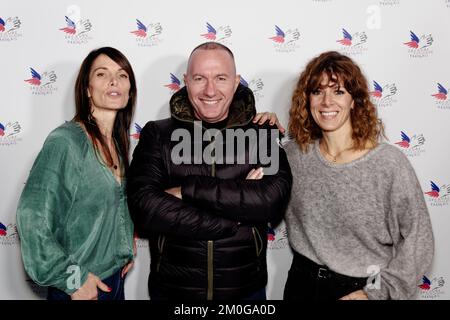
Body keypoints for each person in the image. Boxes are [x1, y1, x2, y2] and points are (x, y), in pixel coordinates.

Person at [127, 42, 292, 300]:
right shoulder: (157, 134)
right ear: (186, 81)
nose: (210, 90)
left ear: (236, 82)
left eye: (221, 78)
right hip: (174, 291)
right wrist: (232, 220)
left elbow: (272, 200)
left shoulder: (262, 134)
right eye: (199, 78)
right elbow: (144, 206)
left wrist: (185, 190)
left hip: (243, 290)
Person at [280, 50, 434, 300]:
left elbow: (419, 238)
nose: (327, 102)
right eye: (318, 91)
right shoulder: (293, 156)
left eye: (338, 91)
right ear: (307, 99)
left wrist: (374, 293)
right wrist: (258, 127)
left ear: (354, 100)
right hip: (301, 284)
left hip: (360, 289)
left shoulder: (388, 163)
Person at [16, 47, 136, 300]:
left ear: (129, 90)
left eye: (122, 75)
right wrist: (72, 279)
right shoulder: (66, 141)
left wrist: (124, 245)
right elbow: (31, 216)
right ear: (87, 89)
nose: (114, 80)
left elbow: (112, 203)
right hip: (80, 288)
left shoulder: (118, 143)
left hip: (113, 280)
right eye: (102, 74)